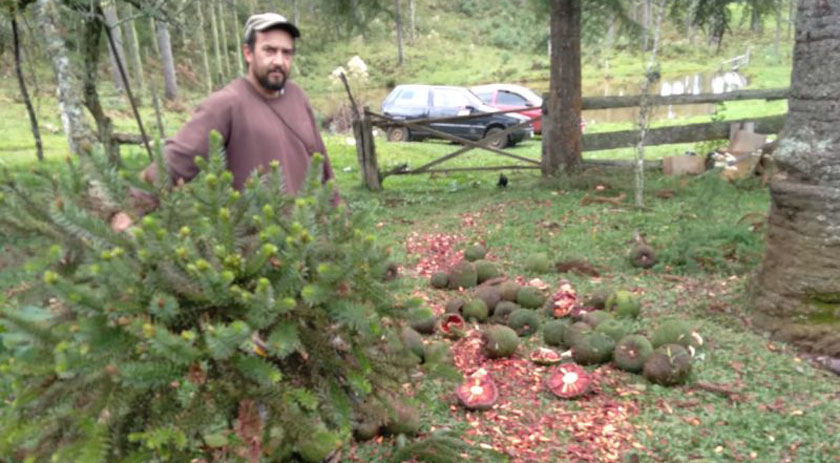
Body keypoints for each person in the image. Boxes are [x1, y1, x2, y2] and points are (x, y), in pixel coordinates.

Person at [112, 12, 335, 232]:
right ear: (248, 53)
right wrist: (132, 207)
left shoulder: (298, 96)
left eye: (286, 53)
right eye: (269, 50)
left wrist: (338, 211)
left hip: (310, 240)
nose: (279, 61)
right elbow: (179, 157)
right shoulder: (227, 103)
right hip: (260, 250)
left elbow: (320, 160)